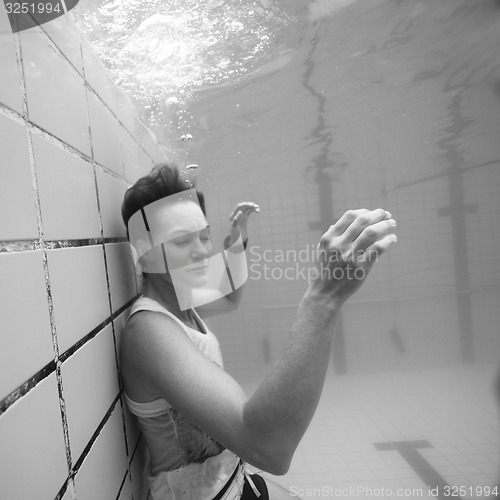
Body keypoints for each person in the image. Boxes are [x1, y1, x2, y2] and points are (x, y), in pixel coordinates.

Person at [119, 163, 398, 500]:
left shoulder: (178, 297)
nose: (203, 251)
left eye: (204, 236)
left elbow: (230, 296)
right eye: (182, 241)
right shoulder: (149, 331)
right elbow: (268, 448)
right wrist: (325, 296)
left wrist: (237, 237)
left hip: (233, 481)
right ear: (146, 255)